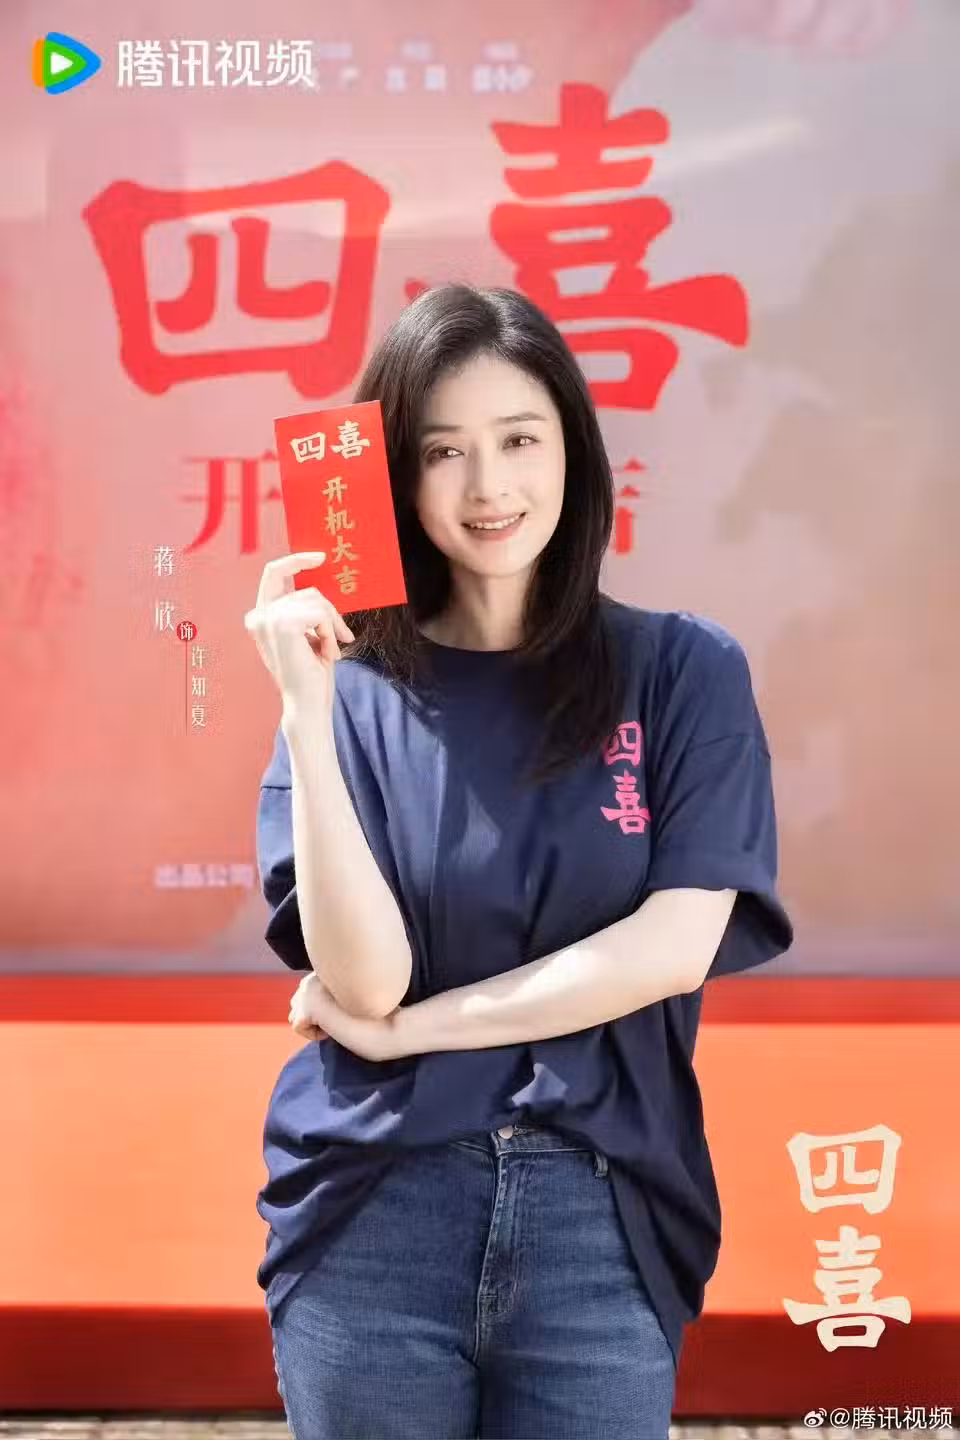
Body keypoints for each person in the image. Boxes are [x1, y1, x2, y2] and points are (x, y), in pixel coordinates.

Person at [244, 283, 793, 1440]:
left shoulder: (682, 671)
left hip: (599, 1209)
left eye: (519, 440)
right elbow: (365, 985)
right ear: (395, 477)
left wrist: (413, 1034)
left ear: (574, 450)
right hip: (374, 1212)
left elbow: (670, 947)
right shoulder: (344, 694)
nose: (488, 486)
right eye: (443, 451)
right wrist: (306, 712)